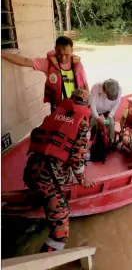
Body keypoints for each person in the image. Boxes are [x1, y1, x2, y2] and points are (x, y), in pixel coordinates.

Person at [23, 89, 95, 253]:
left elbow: (36, 137)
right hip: (48, 178)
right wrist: (82, 179)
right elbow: (77, 160)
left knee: (45, 194)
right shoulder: (82, 124)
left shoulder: (55, 114)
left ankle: (39, 202)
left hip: (30, 170)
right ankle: (42, 262)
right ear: (87, 104)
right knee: (61, 231)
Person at [1, 36, 89, 112]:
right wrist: (2, 54)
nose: (63, 58)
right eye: (59, 54)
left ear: (72, 51)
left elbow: (85, 83)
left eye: (67, 55)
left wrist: (86, 97)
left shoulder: (77, 64)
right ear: (55, 49)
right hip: (58, 108)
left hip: (77, 105)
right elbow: (25, 61)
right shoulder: (48, 63)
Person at [89, 78, 122, 150]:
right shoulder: (96, 87)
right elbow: (92, 104)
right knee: (93, 123)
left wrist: (110, 117)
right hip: (96, 110)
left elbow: (115, 105)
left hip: (107, 110)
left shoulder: (119, 89)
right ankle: (92, 141)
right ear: (105, 90)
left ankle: (111, 142)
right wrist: (97, 117)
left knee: (111, 123)